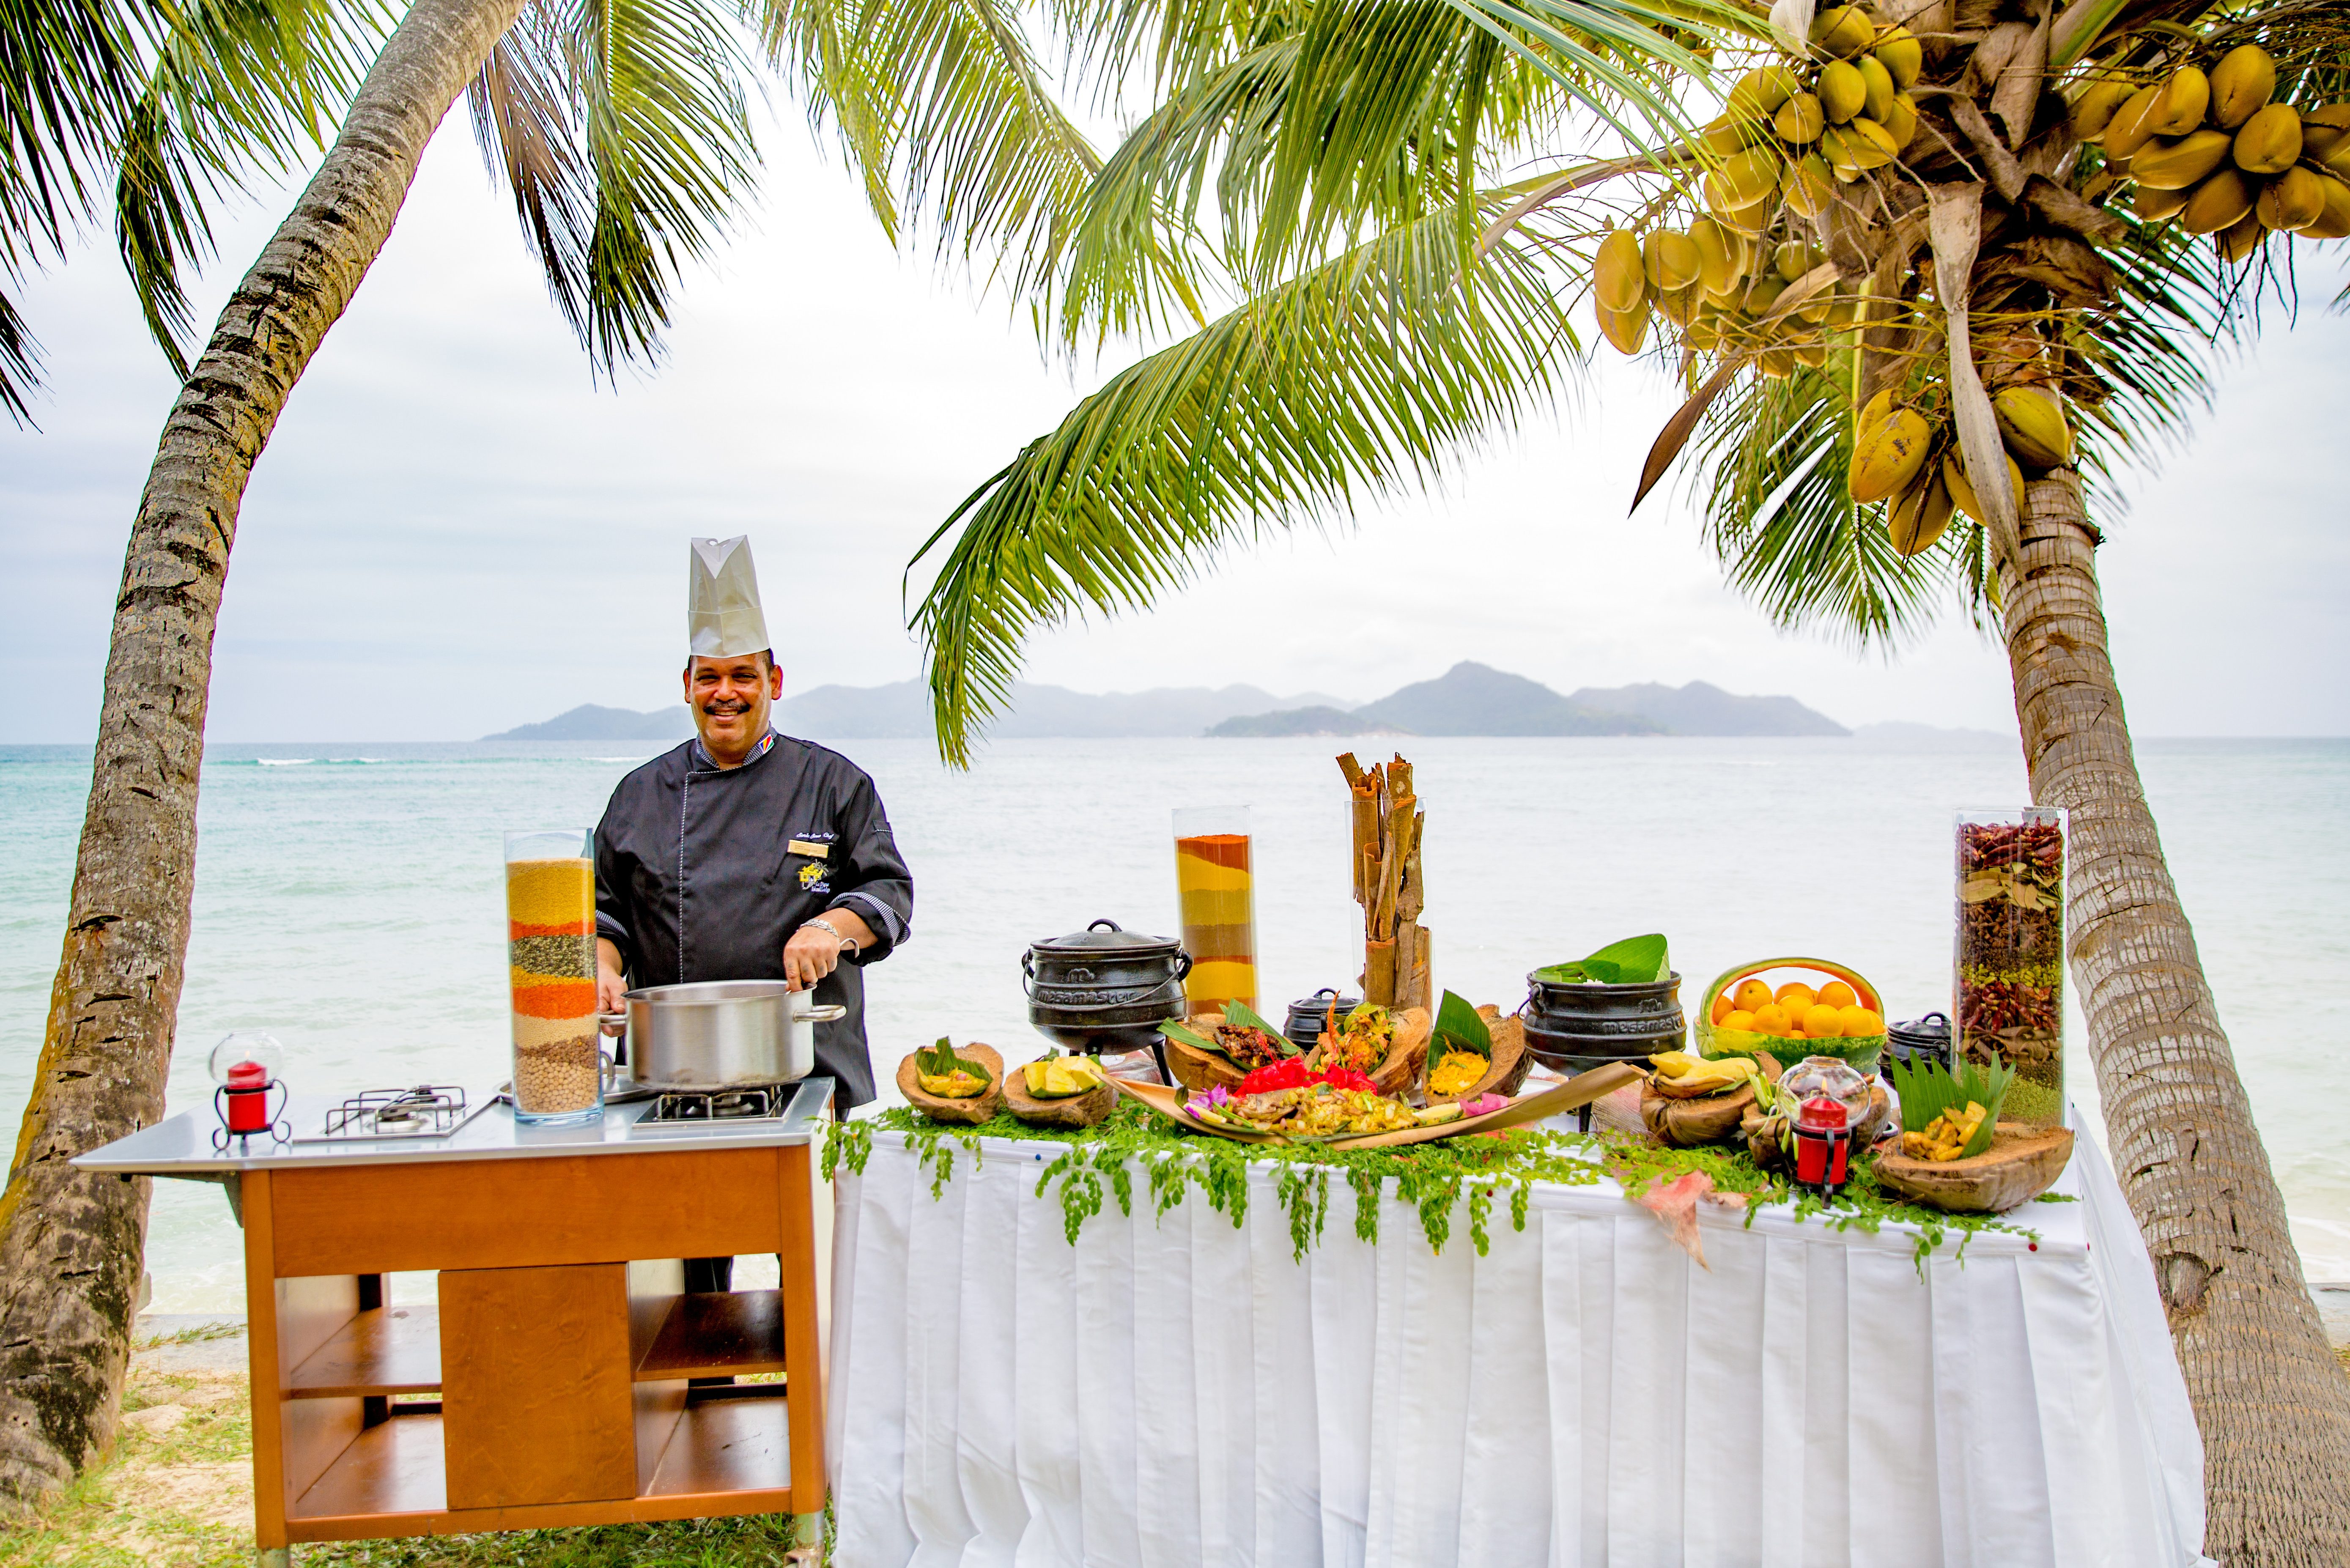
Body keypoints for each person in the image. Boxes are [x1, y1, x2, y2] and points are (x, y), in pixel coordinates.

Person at [592, 534, 914, 1117]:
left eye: (743, 676)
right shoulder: (638, 795)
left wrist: (829, 928)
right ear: (687, 685)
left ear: (775, 683)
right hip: (665, 1073)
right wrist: (600, 970)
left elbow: (887, 894)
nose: (725, 693)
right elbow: (602, 914)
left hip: (810, 1068)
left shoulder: (834, 783)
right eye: (709, 677)